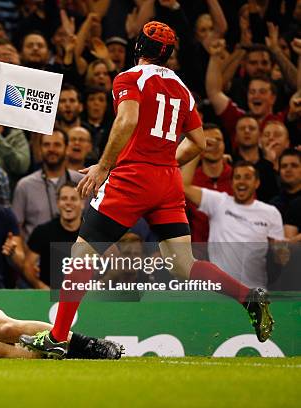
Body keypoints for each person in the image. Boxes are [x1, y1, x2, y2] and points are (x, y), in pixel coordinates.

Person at [20, 22, 275, 359]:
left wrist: (104, 166)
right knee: (184, 263)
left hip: (131, 179)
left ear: (137, 46)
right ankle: (248, 297)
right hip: (167, 181)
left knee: (82, 255)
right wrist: (166, 161)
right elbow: (200, 142)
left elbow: (126, 121)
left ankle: (57, 336)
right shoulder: (182, 89)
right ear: (168, 55)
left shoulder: (128, 79)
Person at [182, 158, 287, 289]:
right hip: (221, 292)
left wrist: (281, 254)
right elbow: (183, 186)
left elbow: (279, 254)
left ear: (257, 183)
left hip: (255, 293)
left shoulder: (271, 212)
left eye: (247, 177)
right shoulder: (218, 202)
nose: (241, 181)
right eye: (237, 177)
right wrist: (197, 151)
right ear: (231, 183)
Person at [13, 129, 82, 240]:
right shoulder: (24, 186)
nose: (51, 149)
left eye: (57, 145)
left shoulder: (82, 182)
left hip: (74, 255)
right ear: (40, 149)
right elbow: (16, 228)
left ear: (67, 148)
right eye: (46, 145)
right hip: (35, 255)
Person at [24, 183, 82, 289]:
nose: (68, 203)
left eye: (73, 199)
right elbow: (27, 266)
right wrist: (42, 288)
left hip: (85, 299)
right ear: (57, 203)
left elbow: (114, 261)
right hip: (48, 299)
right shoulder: (42, 232)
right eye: (64, 198)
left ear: (82, 203)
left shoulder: (92, 232)